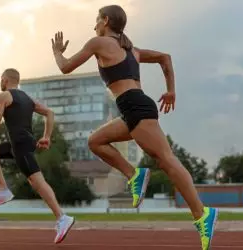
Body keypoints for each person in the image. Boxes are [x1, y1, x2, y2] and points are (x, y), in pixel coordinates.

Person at [51, 5, 218, 250]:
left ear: (105, 20)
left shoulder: (99, 42)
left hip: (135, 107)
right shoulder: (132, 50)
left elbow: (65, 67)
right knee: (95, 141)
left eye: (96, 20)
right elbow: (165, 58)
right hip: (132, 109)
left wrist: (56, 52)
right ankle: (134, 174)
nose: (94, 25)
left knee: (167, 160)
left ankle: (202, 215)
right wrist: (171, 90)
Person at [0, 68, 75, 244]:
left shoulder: (3, 97)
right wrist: (46, 136)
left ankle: (62, 218)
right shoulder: (27, 98)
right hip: (21, 143)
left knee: (37, 182)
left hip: (21, 145)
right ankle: (4, 191)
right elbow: (50, 113)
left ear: (5, 79)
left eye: (0, 79)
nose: (0, 83)